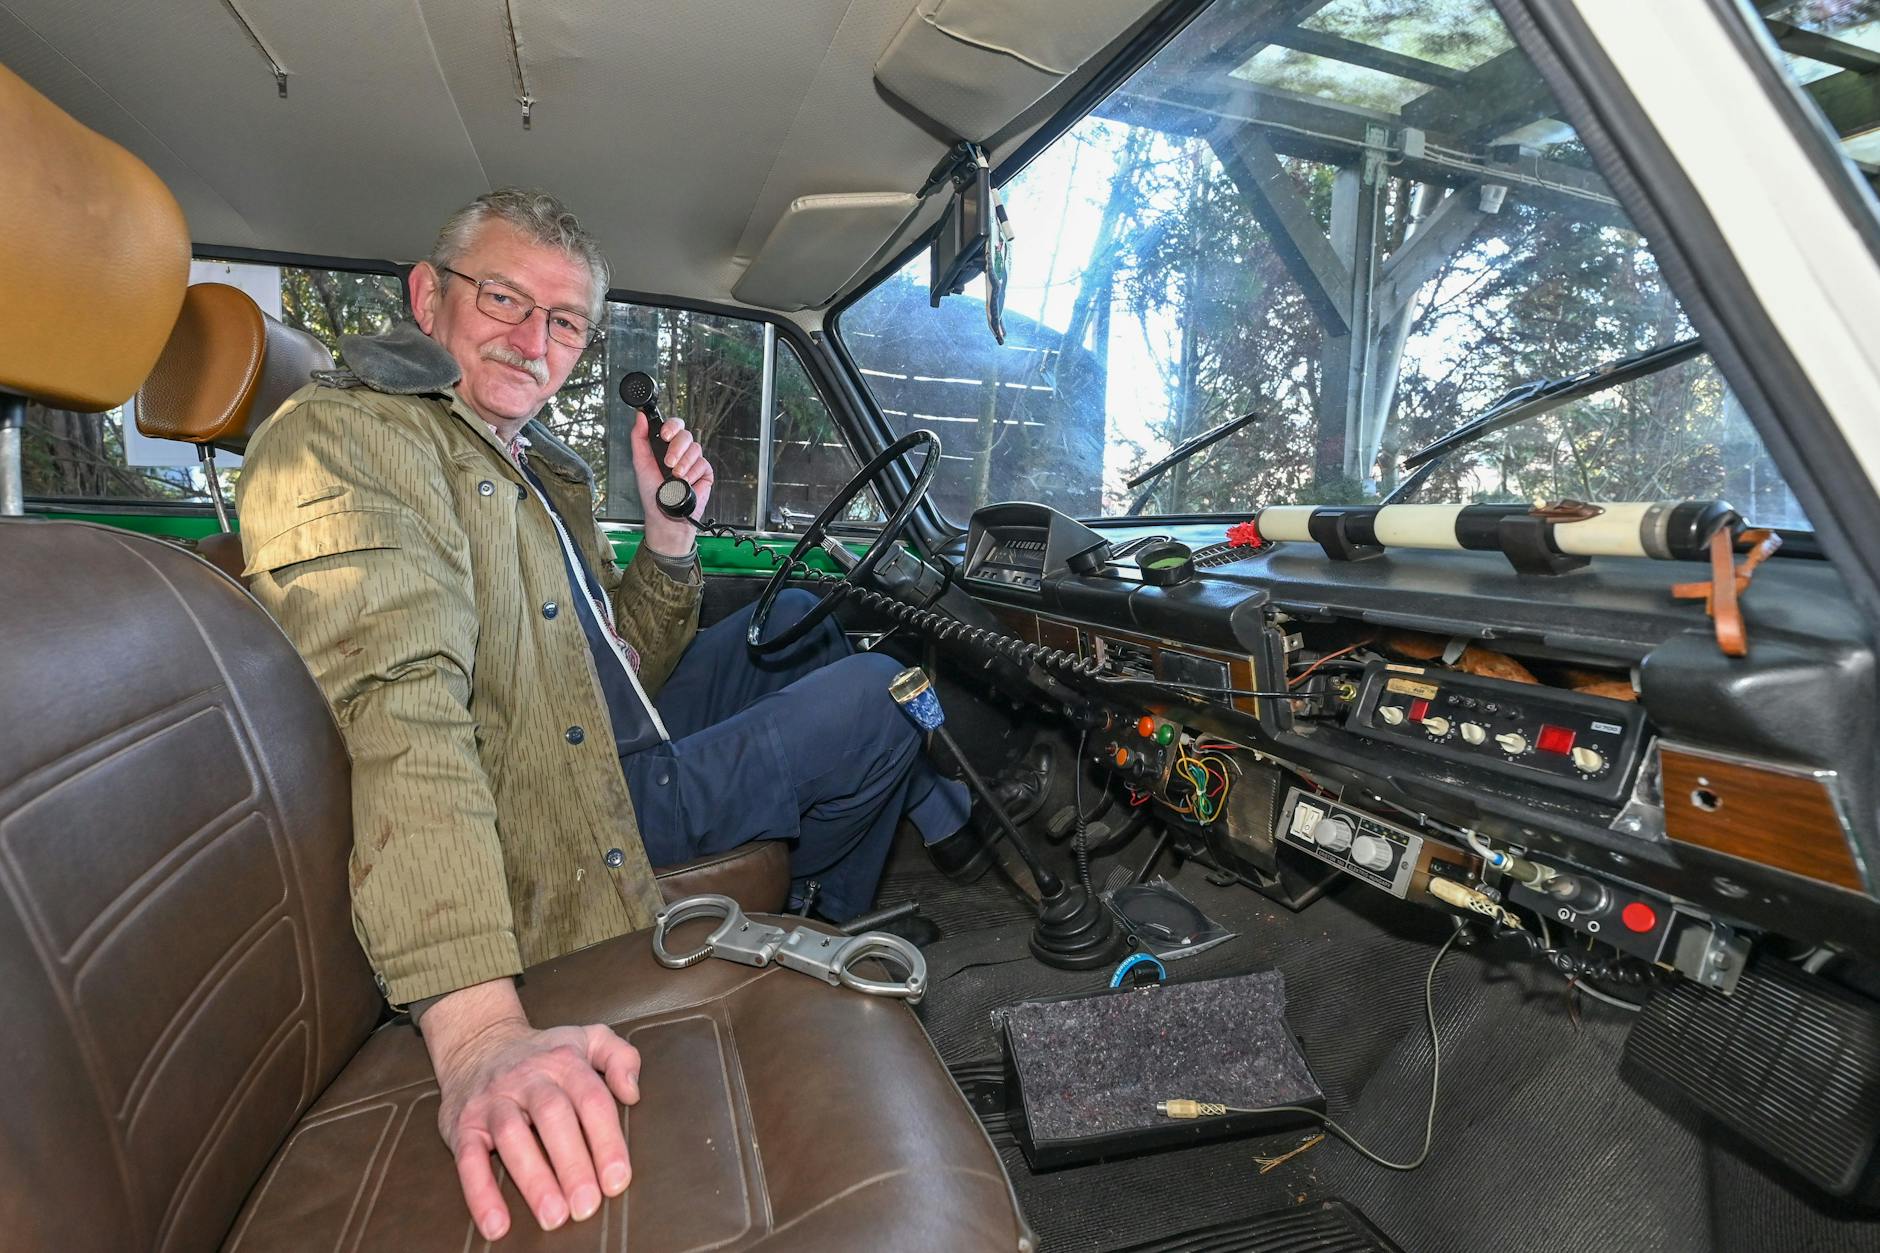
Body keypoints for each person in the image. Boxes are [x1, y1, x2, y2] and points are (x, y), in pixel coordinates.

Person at [235, 188, 982, 1242]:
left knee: (808, 614)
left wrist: (668, 542)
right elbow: (397, 716)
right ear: (425, 296)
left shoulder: (534, 464)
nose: (532, 339)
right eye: (502, 297)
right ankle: (820, 925)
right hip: (561, 819)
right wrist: (481, 1028)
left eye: (565, 321)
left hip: (597, 737)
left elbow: (617, 662)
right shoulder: (354, 441)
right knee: (873, 700)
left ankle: (907, 834)